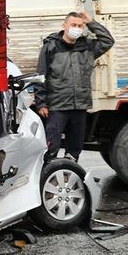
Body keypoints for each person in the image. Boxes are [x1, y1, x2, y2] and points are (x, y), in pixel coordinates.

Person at [33, 11, 114, 163]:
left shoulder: (88, 47)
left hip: (80, 106)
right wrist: (41, 103)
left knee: (75, 148)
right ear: (64, 26)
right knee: (51, 146)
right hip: (57, 106)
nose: (76, 28)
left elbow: (107, 40)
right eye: (73, 25)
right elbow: (41, 75)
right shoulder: (51, 47)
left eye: (80, 26)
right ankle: (47, 174)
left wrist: (91, 22)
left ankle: (69, 173)